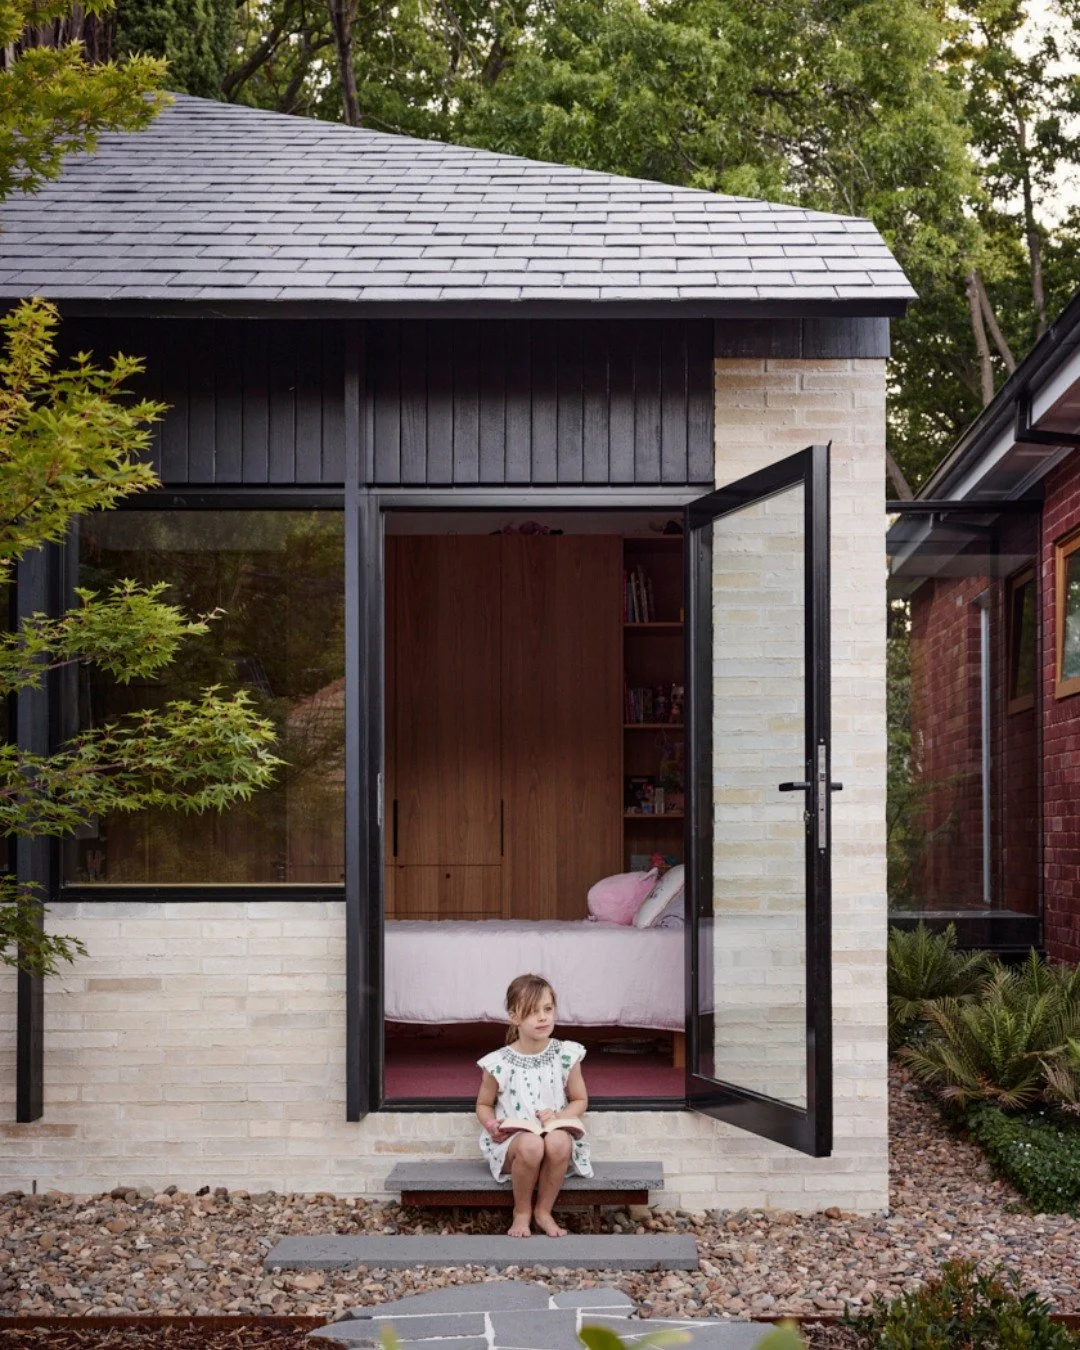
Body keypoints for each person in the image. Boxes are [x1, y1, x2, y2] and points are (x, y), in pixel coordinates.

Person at [475, 973, 592, 1238]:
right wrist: (492, 1124)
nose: (543, 1017)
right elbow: (483, 1104)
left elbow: (580, 1099)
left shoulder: (566, 1054)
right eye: (532, 1011)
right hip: (514, 1143)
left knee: (558, 1142)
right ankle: (522, 1212)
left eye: (548, 1009)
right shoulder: (499, 1063)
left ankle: (544, 1211)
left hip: (553, 1136)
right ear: (514, 1017)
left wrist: (560, 1116)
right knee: (531, 1144)